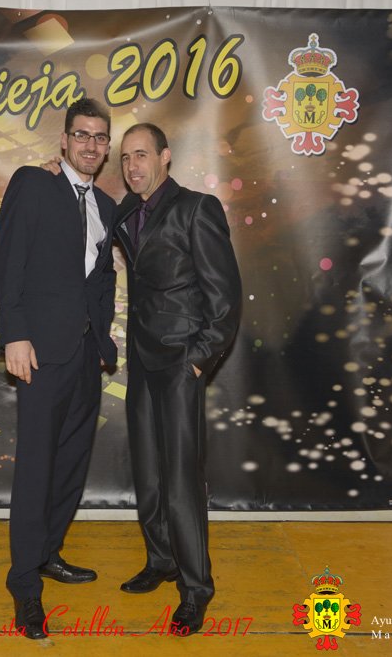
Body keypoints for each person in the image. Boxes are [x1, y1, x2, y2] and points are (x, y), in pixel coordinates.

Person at [0, 98, 117, 640]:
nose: (90, 144)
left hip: (87, 354)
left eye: (99, 137)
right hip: (40, 351)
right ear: (64, 140)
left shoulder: (107, 204)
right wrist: (14, 334)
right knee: (37, 468)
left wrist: (105, 337)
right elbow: (9, 261)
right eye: (81, 135)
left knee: (70, 464)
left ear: (107, 147)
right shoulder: (32, 182)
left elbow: (102, 277)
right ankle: (24, 584)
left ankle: (48, 554)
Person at [114, 123, 242, 636]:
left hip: (180, 363)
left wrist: (198, 359)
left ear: (165, 157)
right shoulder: (126, 211)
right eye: (126, 158)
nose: (132, 166)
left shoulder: (196, 208)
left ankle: (195, 590)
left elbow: (225, 296)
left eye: (141, 155)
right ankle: (161, 559)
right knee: (148, 472)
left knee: (182, 479)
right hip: (142, 362)